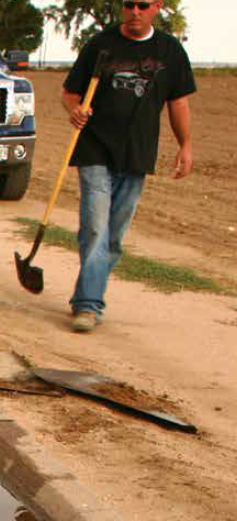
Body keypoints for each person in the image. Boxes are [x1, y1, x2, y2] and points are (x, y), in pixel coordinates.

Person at [62, 0, 196, 332]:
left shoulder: (170, 51)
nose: (135, 11)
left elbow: (178, 102)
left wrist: (186, 145)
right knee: (95, 226)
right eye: (128, 4)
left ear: (157, 7)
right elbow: (70, 92)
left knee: (114, 236)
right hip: (94, 148)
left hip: (137, 154)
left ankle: (87, 292)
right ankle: (88, 305)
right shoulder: (101, 44)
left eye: (143, 5)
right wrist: (75, 110)